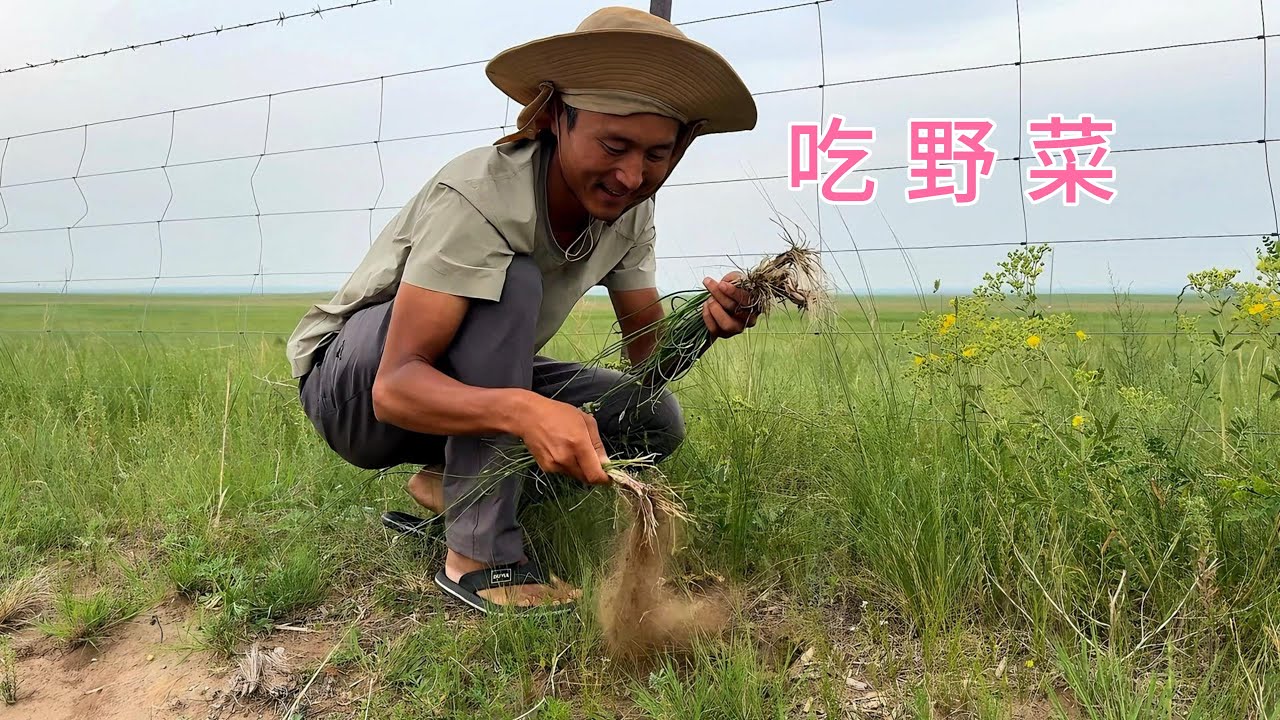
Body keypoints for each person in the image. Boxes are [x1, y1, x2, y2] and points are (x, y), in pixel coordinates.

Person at [285, 6, 759, 614]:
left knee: (651, 418)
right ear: (558, 116)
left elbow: (647, 357)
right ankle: (478, 558)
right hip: (355, 390)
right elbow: (395, 389)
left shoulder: (631, 209)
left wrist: (705, 327)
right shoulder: (482, 196)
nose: (632, 175)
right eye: (614, 146)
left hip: (462, 381)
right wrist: (523, 409)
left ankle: (452, 488)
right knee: (515, 282)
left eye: (658, 155)